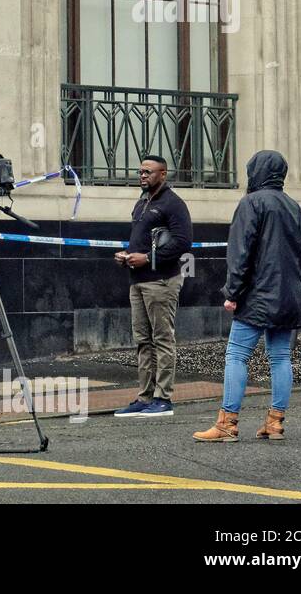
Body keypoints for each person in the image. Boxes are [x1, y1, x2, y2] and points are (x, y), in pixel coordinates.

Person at [194, 150, 301, 443]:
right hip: (289, 294)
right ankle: (275, 423)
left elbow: (240, 252)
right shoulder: (293, 206)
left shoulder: (251, 203)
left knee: (237, 354)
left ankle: (227, 424)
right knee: (280, 356)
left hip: (258, 295)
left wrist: (232, 292)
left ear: (255, 172)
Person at [113, 154, 193, 419]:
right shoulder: (141, 203)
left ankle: (163, 398)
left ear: (163, 174)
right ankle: (145, 397)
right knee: (142, 341)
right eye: (141, 172)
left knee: (162, 339)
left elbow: (182, 242)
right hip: (137, 281)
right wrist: (128, 254)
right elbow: (144, 240)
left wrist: (148, 258)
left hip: (161, 281)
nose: (143, 176)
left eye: (149, 172)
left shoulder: (173, 204)